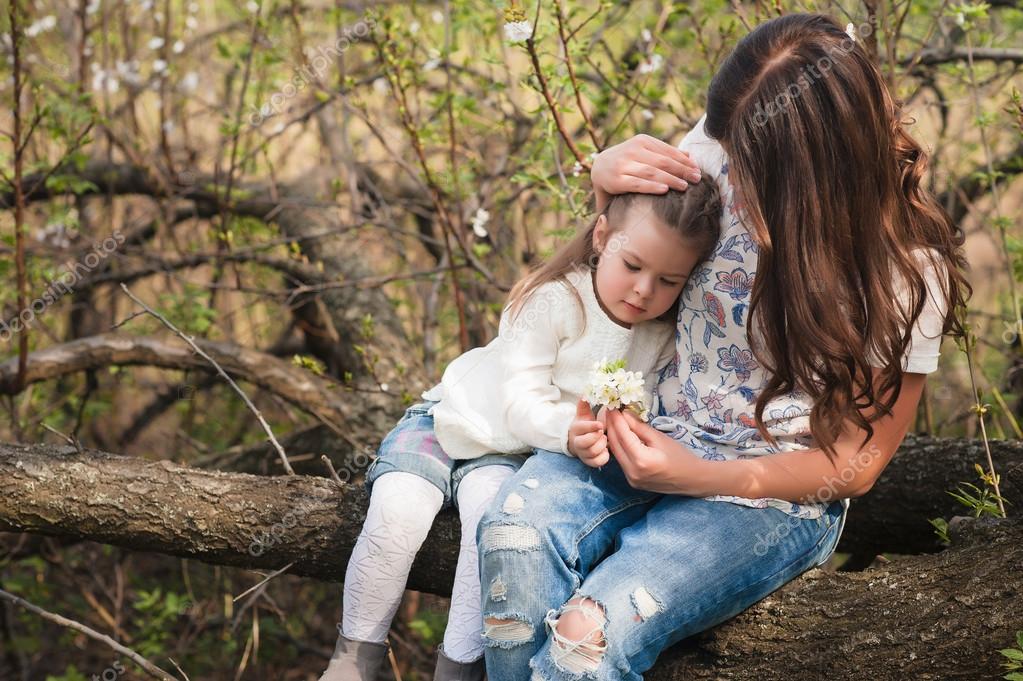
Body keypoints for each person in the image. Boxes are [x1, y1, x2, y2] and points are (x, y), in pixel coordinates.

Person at [476, 13, 971, 681]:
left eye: (748, 160)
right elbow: (626, 261)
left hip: (764, 497)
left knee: (585, 633)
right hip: (647, 434)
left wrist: (698, 476)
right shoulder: (715, 153)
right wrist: (604, 178)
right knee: (512, 530)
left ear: (814, 169)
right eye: (726, 144)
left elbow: (853, 465)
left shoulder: (903, 270)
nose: (727, 167)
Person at [318, 179, 722, 681]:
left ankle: (457, 668)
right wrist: (571, 433)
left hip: (507, 458)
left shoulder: (660, 340)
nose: (644, 290)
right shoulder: (555, 300)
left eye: (669, 281)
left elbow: (643, 410)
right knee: (398, 511)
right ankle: (355, 658)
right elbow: (519, 404)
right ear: (602, 238)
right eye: (633, 266)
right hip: (449, 421)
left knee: (490, 534)